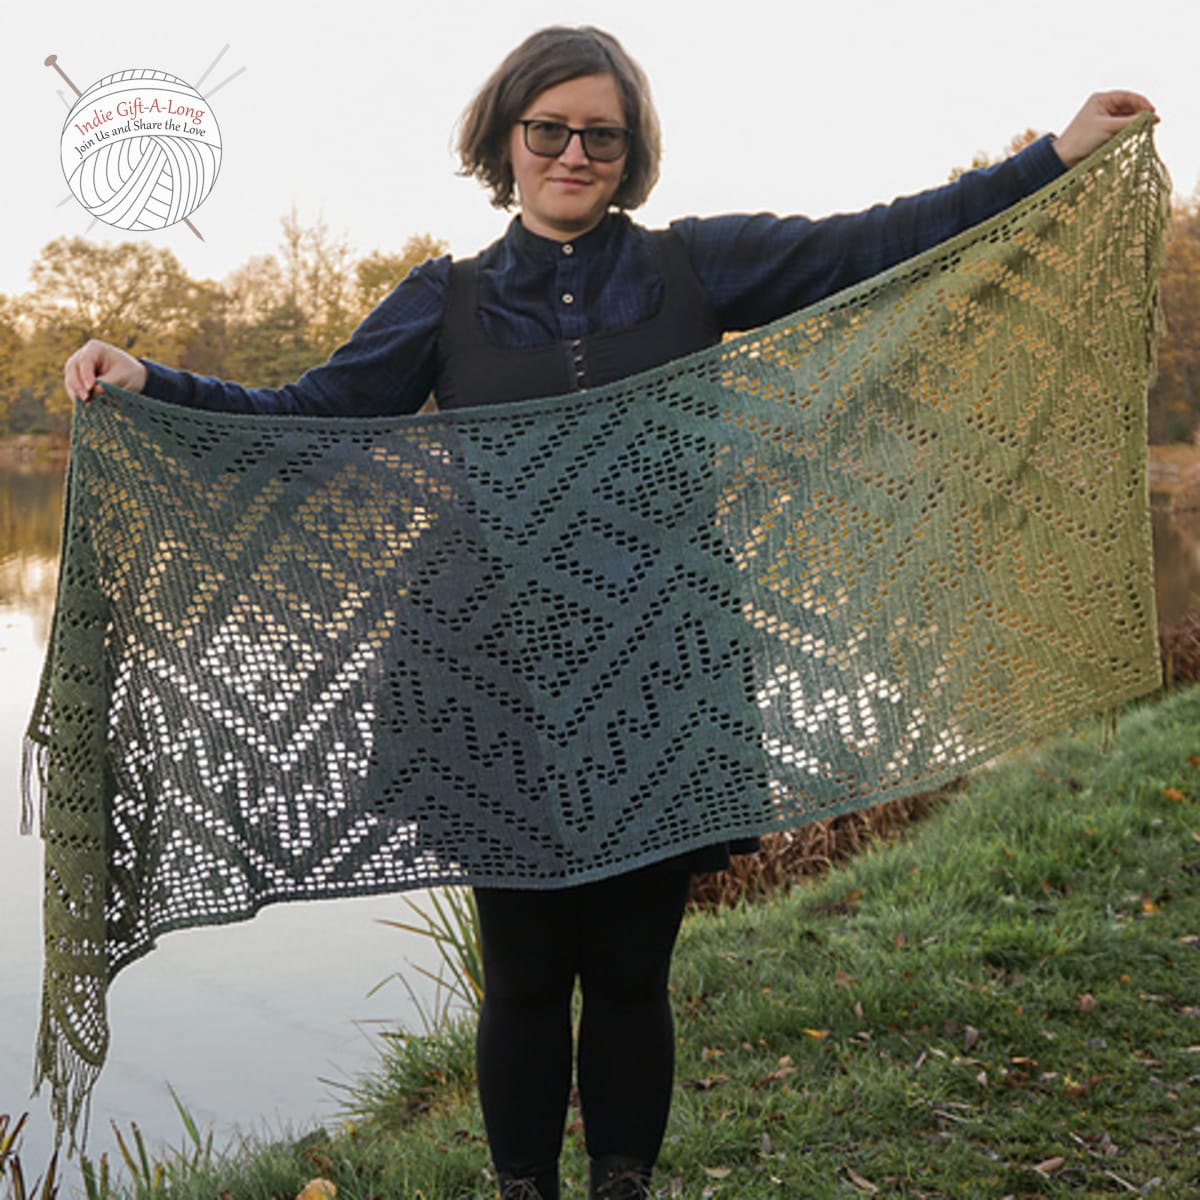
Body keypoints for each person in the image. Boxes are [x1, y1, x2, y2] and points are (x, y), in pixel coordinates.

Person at [63, 26, 1155, 1200]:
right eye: (550, 129)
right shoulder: (446, 299)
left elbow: (879, 243)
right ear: (507, 140)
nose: (573, 153)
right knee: (527, 972)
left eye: (601, 133)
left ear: (629, 151)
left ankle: (622, 1186)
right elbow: (312, 420)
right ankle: (527, 1187)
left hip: (667, 670)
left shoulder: (698, 271)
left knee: (633, 969)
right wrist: (157, 384)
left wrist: (1056, 153)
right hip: (488, 678)